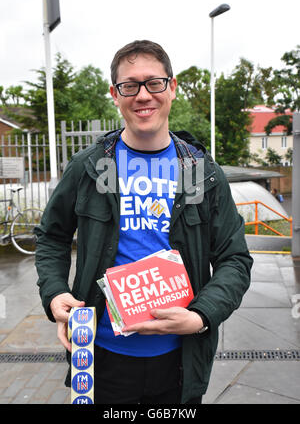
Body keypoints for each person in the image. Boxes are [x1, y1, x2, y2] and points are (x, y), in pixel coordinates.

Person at [35, 39, 253, 404]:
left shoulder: (200, 172)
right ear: (115, 94)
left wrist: (201, 316)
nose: (142, 95)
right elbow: (51, 237)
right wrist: (55, 293)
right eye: (129, 85)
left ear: (172, 87)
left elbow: (235, 259)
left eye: (154, 82)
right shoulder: (90, 167)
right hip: (101, 356)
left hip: (179, 359)